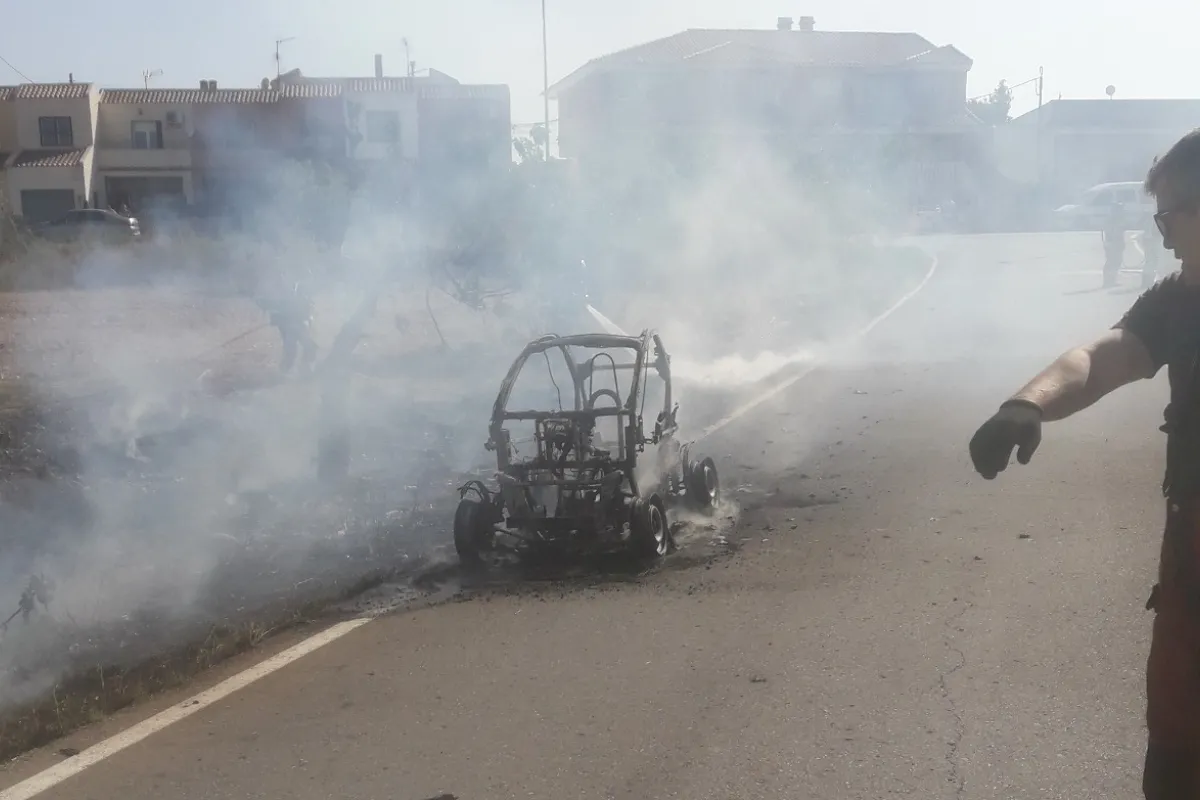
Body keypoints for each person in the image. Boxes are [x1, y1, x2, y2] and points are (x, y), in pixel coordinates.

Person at [968, 128, 1200, 799]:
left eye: (1169, 217)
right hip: (1192, 553)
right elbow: (1102, 356)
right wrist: (1028, 403)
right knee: (1179, 745)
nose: (1163, 238)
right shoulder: (1177, 301)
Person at [1102, 199, 1127, 288]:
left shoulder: (1117, 219)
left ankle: (1111, 280)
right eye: (1119, 209)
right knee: (1111, 262)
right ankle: (1107, 282)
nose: (1121, 211)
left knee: (1116, 262)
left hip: (1115, 243)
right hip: (1112, 243)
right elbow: (1113, 233)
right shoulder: (1112, 220)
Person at [1142, 208, 1163, 289]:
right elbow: (1155, 232)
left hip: (1149, 240)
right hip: (1151, 241)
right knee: (1151, 261)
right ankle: (1147, 281)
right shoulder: (1154, 218)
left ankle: (1147, 281)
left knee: (1150, 261)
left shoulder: (1148, 218)